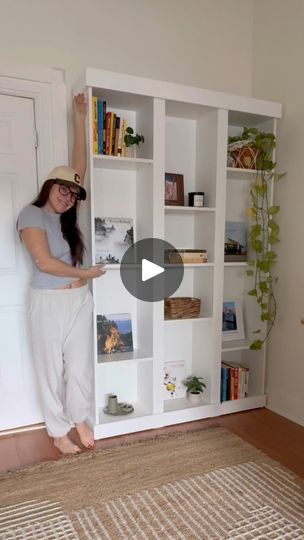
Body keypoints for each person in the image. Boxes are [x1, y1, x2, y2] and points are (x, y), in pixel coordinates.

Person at [17, 93, 105, 455]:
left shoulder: (69, 218)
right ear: (48, 187)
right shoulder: (31, 214)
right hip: (48, 301)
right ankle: (57, 431)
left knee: (80, 369)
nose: (68, 196)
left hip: (79, 299)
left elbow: (77, 163)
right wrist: (83, 271)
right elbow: (43, 262)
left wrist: (80, 117)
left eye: (74, 193)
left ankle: (77, 418)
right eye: (63, 189)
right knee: (50, 370)